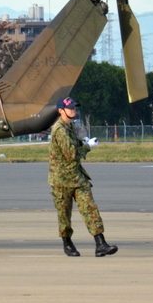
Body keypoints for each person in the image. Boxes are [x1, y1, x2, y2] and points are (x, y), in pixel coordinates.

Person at [49, 96, 118, 257]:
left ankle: (100, 243)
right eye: (70, 108)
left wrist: (83, 142)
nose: (73, 110)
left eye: (74, 107)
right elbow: (71, 154)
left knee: (90, 208)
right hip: (62, 180)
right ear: (61, 111)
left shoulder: (70, 126)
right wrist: (88, 147)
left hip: (77, 177)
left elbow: (74, 145)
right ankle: (67, 243)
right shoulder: (59, 129)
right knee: (64, 214)